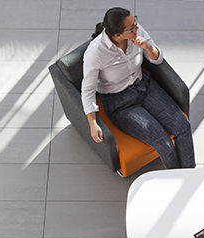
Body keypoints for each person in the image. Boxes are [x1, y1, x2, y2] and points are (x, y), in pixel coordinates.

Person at [81, 7, 195, 169]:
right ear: (118, 35)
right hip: (119, 103)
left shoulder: (137, 31)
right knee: (163, 142)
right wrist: (92, 122)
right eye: (132, 28)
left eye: (135, 22)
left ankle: (190, 175)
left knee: (183, 126)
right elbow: (88, 89)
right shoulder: (96, 52)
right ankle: (177, 178)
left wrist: (147, 47)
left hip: (144, 85)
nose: (137, 28)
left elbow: (157, 59)